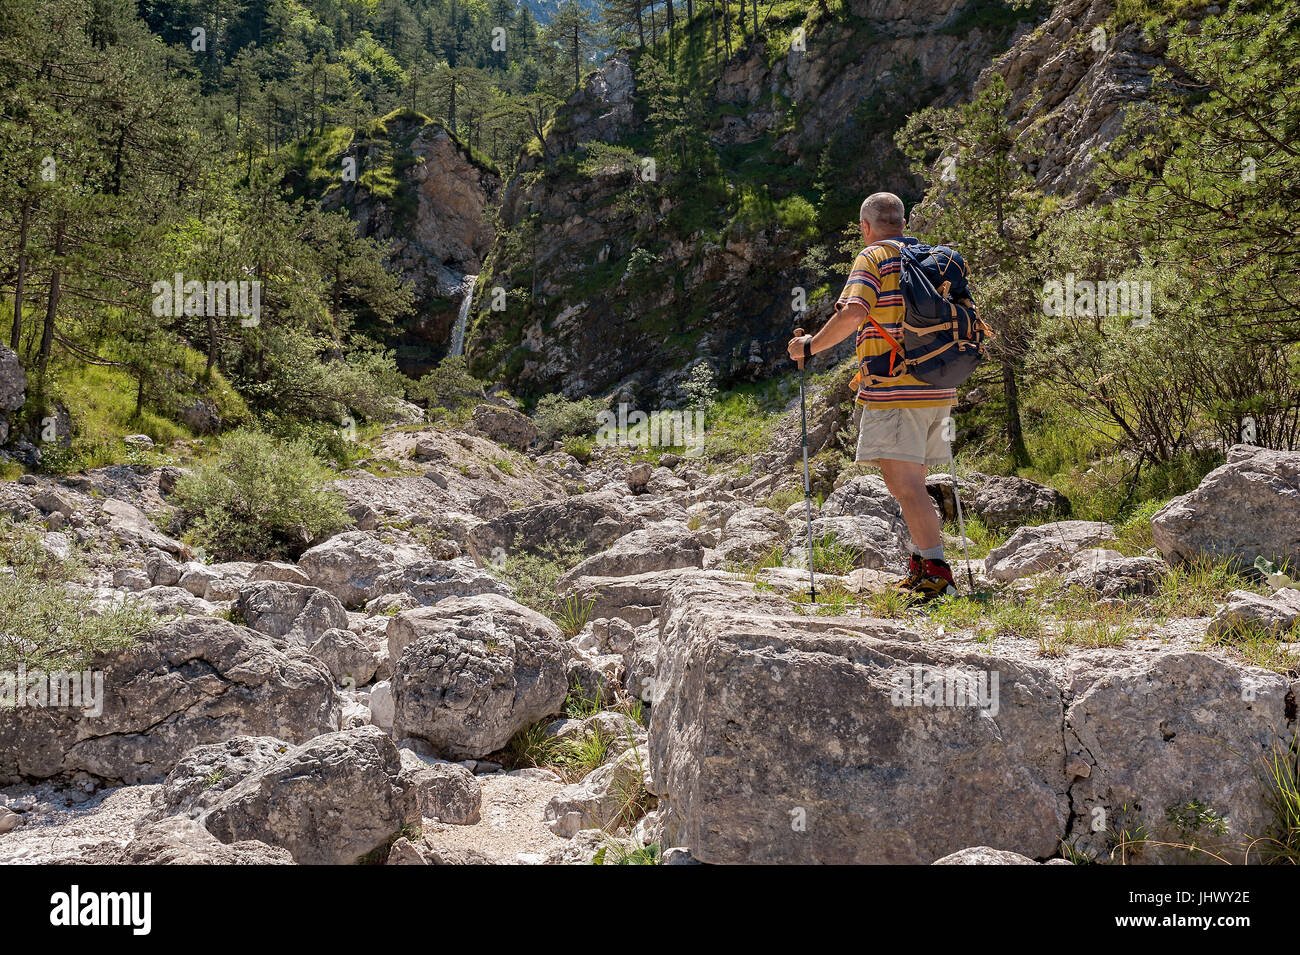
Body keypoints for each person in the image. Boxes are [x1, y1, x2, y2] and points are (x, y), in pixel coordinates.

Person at [787, 192, 957, 599]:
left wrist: (809, 346)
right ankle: (921, 565)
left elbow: (854, 313)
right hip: (940, 384)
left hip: (897, 388)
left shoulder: (874, 258)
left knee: (904, 485)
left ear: (865, 227)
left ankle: (937, 575)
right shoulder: (934, 258)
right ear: (902, 221)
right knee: (912, 480)